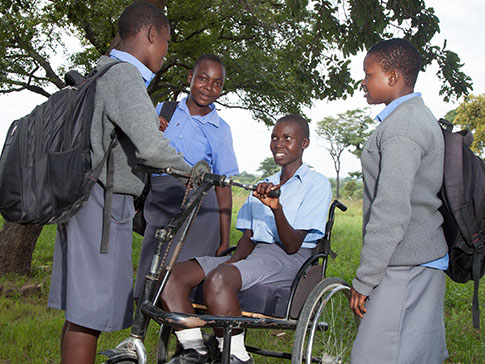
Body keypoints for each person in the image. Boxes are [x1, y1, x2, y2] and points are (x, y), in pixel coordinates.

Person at [47, 3, 192, 364]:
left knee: (80, 312)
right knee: (89, 315)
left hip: (84, 199)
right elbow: (152, 147)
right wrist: (194, 171)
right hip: (102, 206)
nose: (165, 51)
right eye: (166, 43)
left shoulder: (103, 69)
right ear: (151, 34)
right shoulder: (125, 76)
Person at [160, 114, 332, 364]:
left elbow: (293, 244)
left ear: (304, 143)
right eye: (274, 137)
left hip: (290, 257)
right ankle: (194, 350)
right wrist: (231, 263)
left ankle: (237, 356)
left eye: (287, 138)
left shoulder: (316, 184)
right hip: (254, 254)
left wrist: (276, 207)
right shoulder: (263, 185)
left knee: (219, 280)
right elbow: (248, 239)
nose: (278, 144)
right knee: (171, 276)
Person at [350, 38, 449, 364]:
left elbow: (391, 210)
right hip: (421, 257)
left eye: (369, 74)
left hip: (405, 262)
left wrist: (365, 279)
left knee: (373, 356)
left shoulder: (402, 127)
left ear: (392, 77)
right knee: (413, 354)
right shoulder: (415, 117)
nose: (363, 82)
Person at [134, 54, 239, 299]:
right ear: (190, 77)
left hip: (198, 211)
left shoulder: (220, 130)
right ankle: (151, 336)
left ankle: (187, 336)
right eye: (203, 78)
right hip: (160, 206)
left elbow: (223, 187)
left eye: (217, 83)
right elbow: (141, 152)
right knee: (149, 285)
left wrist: (224, 240)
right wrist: (151, 128)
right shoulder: (164, 110)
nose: (209, 87)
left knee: (178, 285)